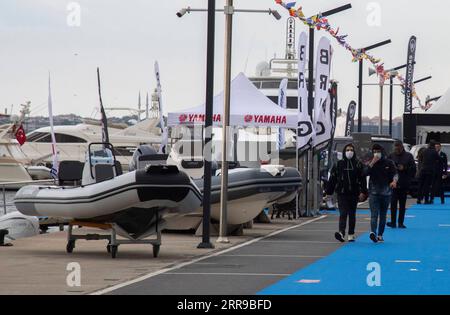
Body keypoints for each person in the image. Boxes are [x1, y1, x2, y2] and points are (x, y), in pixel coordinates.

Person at [326, 144, 368, 243]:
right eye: (348, 150)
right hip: (342, 193)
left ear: (354, 152)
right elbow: (332, 179)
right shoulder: (338, 164)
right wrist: (329, 192)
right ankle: (341, 233)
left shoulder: (358, 164)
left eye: (351, 150)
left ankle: (351, 234)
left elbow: (363, 179)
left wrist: (363, 192)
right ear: (344, 151)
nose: (349, 151)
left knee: (352, 214)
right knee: (343, 213)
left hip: (354, 193)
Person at [365, 144, 398, 243]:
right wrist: (372, 163)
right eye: (374, 151)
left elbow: (395, 174)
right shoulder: (370, 162)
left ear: (382, 152)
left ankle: (380, 234)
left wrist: (394, 181)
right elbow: (364, 172)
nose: (376, 153)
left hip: (386, 192)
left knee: (383, 215)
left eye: (378, 151)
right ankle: (373, 232)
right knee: (374, 214)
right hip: (374, 192)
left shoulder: (389, 162)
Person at [387, 141, 416, 229]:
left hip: (404, 183)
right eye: (395, 148)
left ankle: (400, 222)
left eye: (398, 148)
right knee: (393, 204)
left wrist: (404, 168)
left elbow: (413, 169)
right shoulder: (391, 156)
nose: (396, 149)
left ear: (402, 147)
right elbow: (386, 168)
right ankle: (393, 222)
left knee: (402, 205)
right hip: (393, 184)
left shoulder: (408, 156)